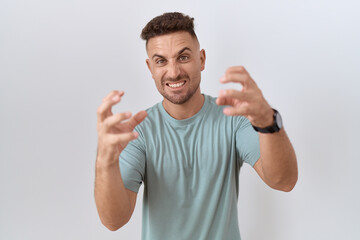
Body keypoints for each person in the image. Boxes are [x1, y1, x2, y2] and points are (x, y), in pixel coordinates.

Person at [94, 12, 298, 240]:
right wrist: (105, 161)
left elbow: (284, 181)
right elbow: (114, 221)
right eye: (161, 61)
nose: (173, 72)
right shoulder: (139, 131)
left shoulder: (233, 117)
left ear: (201, 59)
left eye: (183, 57)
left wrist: (268, 123)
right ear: (150, 68)